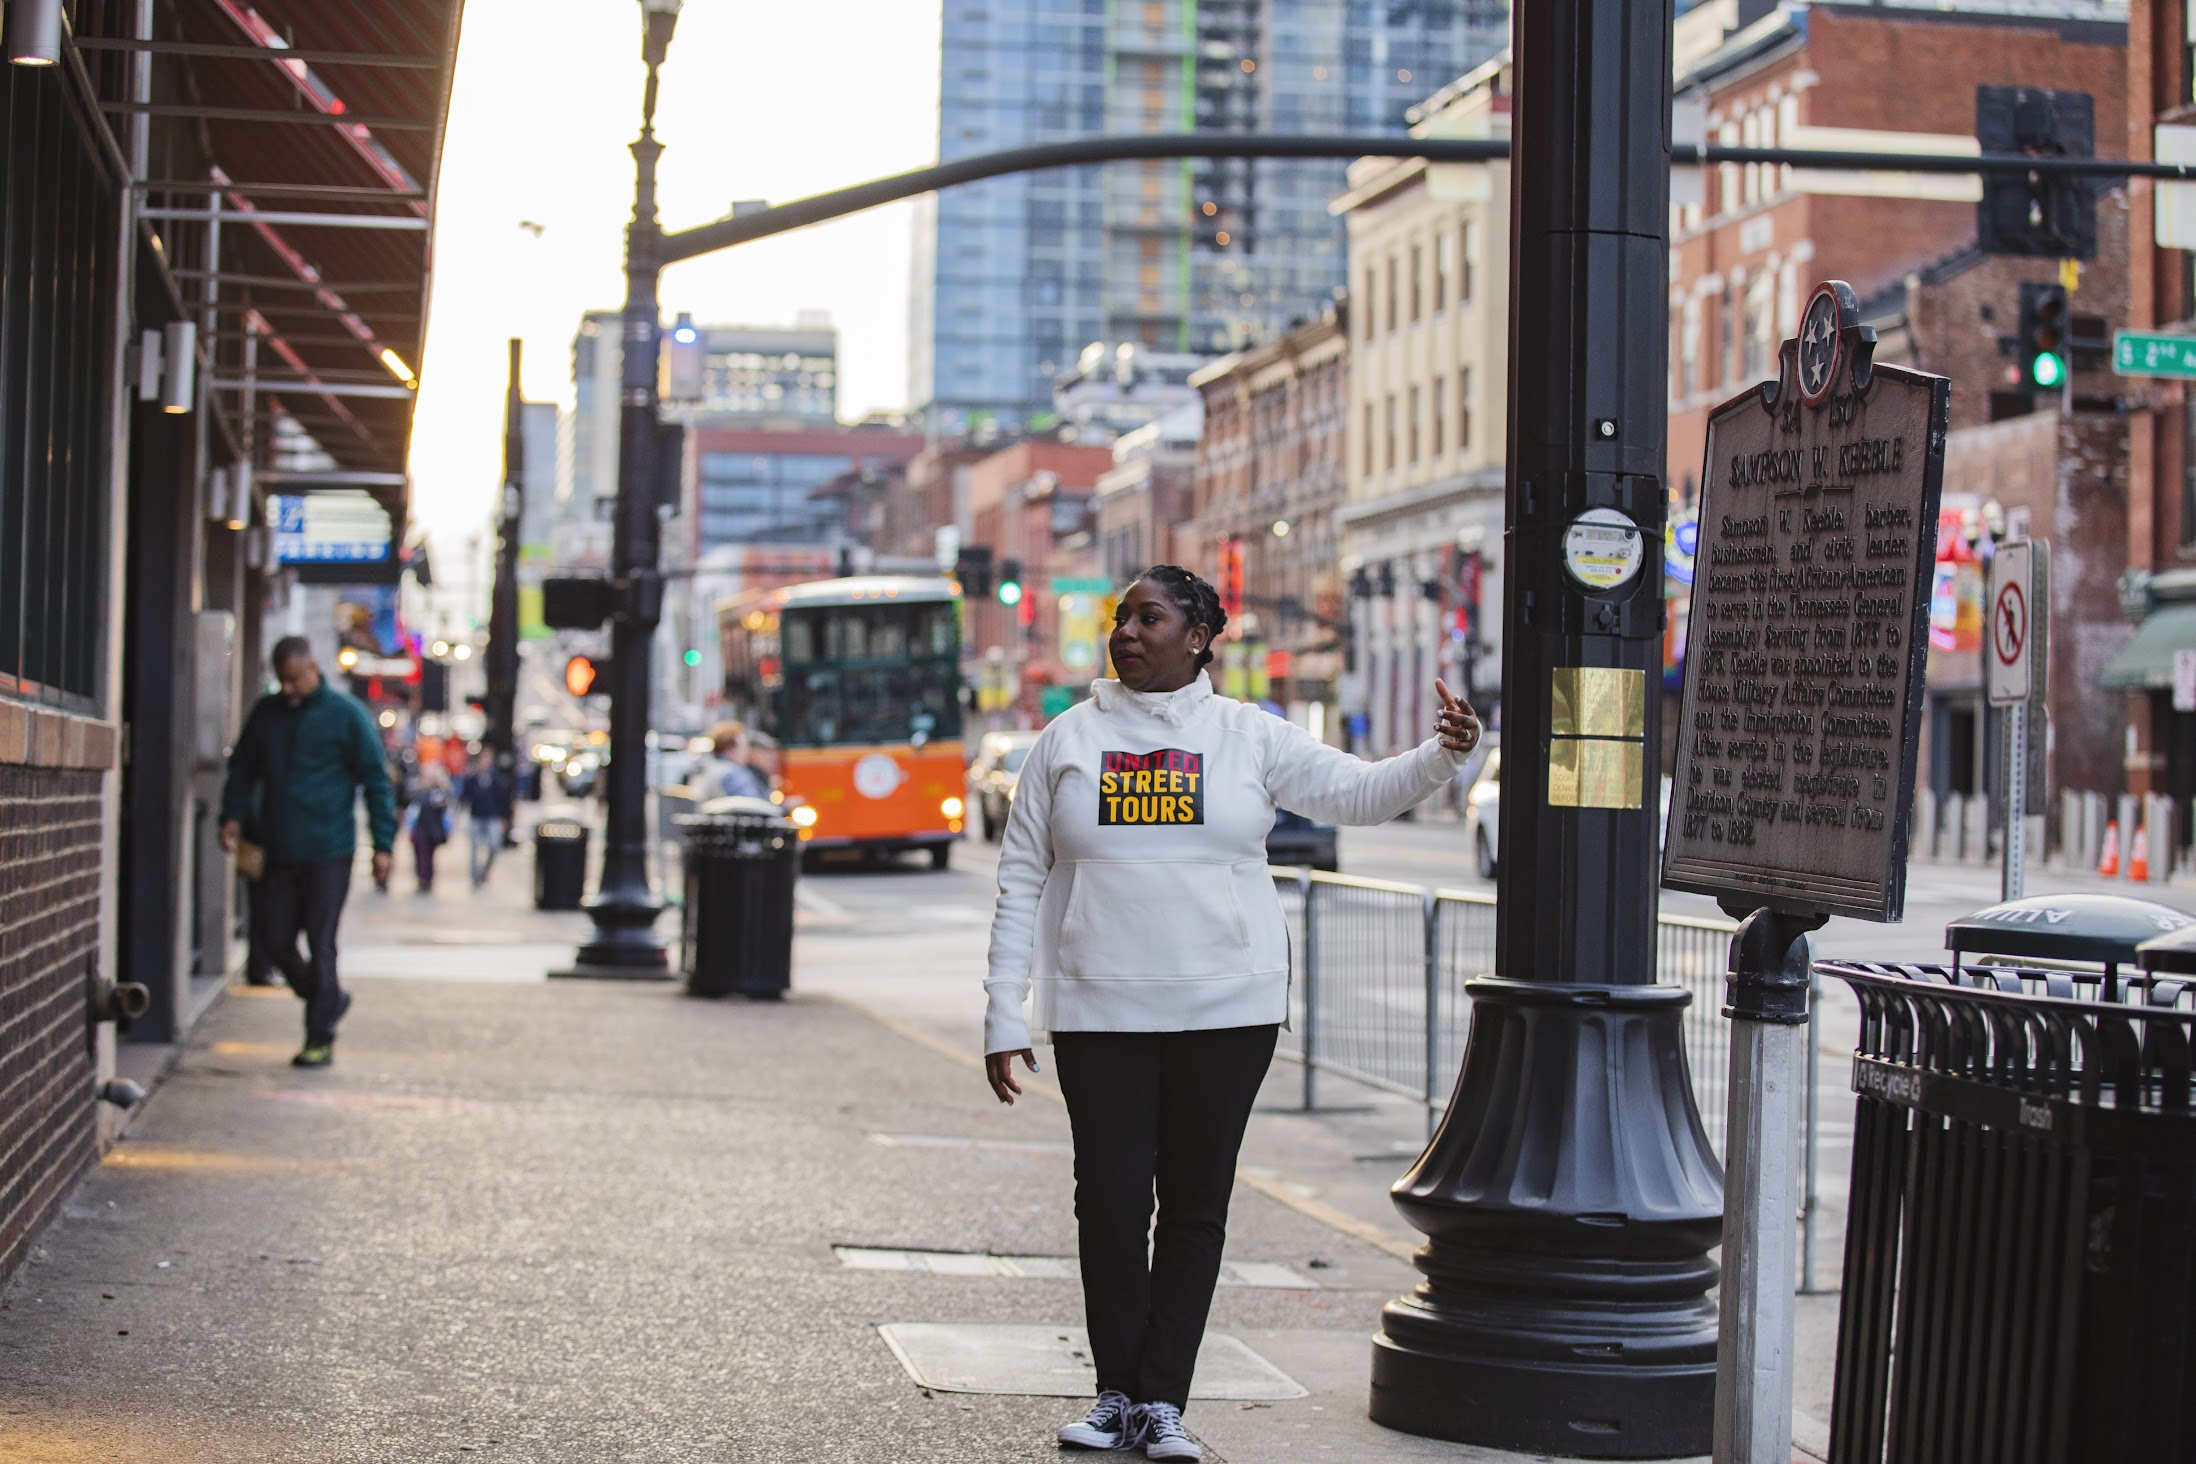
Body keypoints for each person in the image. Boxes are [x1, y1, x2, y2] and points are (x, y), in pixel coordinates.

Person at [983, 565, 1481, 1461]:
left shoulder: (1248, 734)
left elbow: (1357, 793)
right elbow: (1020, 877)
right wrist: (1002, 1010)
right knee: (1110, 1204)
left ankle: (1161, 1400)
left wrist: (1442, 755)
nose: (1126, 632)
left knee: (1196, 1204)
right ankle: (1115, 1393)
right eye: (1121, 618)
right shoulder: (1066, 739)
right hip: (1098, 1008)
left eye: (1150, 618)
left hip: (1227, 1010)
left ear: (1199, 636)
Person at [219, 636, 397, 1068]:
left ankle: (319, 1038)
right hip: (279, 848)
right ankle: (328, 999)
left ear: (314, 668)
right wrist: (231, 815)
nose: (289, 689)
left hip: (329, 850)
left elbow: (376, 780)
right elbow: (243, 768)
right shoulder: (268, 714)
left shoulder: (346, 715)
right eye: (282, 681)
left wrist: (383, 845)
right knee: (274, 940)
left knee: (321, 942)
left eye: (295, 679)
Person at [461, 751, 516, 888]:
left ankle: (484, 872)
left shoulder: (497, 778)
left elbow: (504, 799)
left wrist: (505, 817)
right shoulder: (473, 778)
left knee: (494, 845)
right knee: (474, 847)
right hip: (476, 816)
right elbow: (465, 796)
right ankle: (475, 877)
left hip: (493, 816)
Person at [691, 720, 770, 802]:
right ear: (731, 749)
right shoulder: (734, 773)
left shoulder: (707, 769)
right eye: (744, 746)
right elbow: (753, 804)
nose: (747, 751)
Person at [408, 763, 453, 892]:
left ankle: (426, 879)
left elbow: (445, 812)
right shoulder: (418, 792)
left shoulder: (439, 793)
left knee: (428, 856)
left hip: (432, 831)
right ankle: (421, 878)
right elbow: (412, 811)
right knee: (420, 855)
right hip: (419, 829)